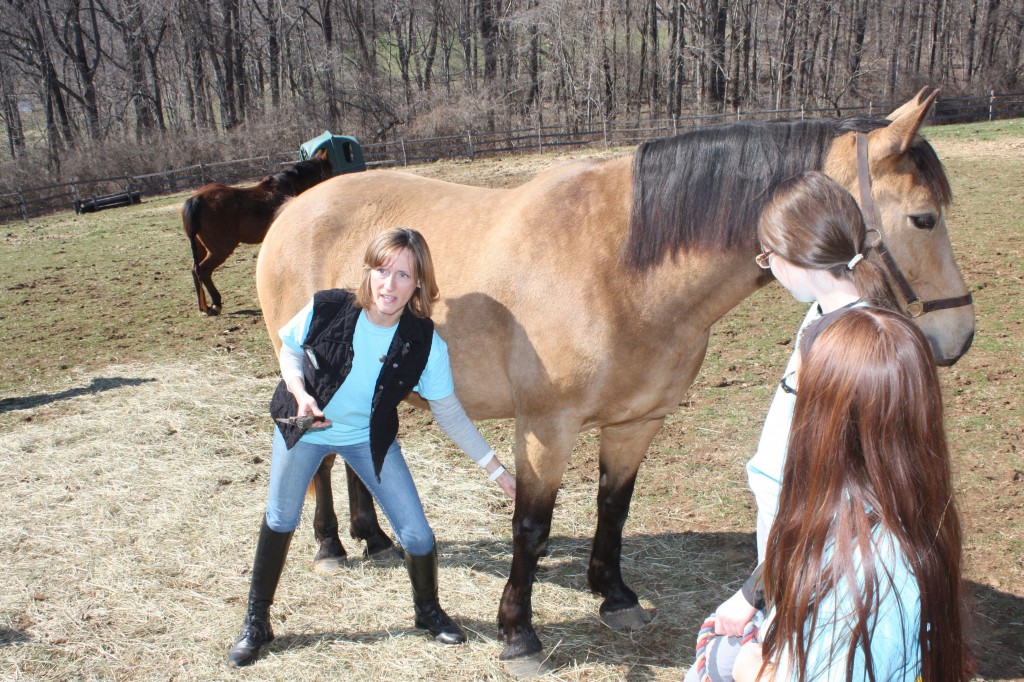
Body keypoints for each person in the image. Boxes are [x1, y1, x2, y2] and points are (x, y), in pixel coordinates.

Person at [227, 227, 517, 667]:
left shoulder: (423, 342)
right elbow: (289, 349)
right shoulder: (329, 307)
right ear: (369, 272)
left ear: (419, 283)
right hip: (305, 427)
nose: (390, 284)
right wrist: (300, 391)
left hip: (367, 438)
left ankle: (428, 612)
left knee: (418, 536)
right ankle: (257, 620)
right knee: (281, 517)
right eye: (382, 271)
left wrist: (500, 474)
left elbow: (450, 412)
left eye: (404, 275)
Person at [685, 172, 901, 680]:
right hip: (800, 562)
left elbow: (826, 499)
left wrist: (756, 593)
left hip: (817, 569)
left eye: (767, 257)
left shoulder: (838, 347)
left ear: (792, 255)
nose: (769, 269)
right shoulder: (828, 319)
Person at [728, 308, 971, 681]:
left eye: (799, 390)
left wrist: (750, 669)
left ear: (828, 420)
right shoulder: (916, 513)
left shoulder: (862, 580)